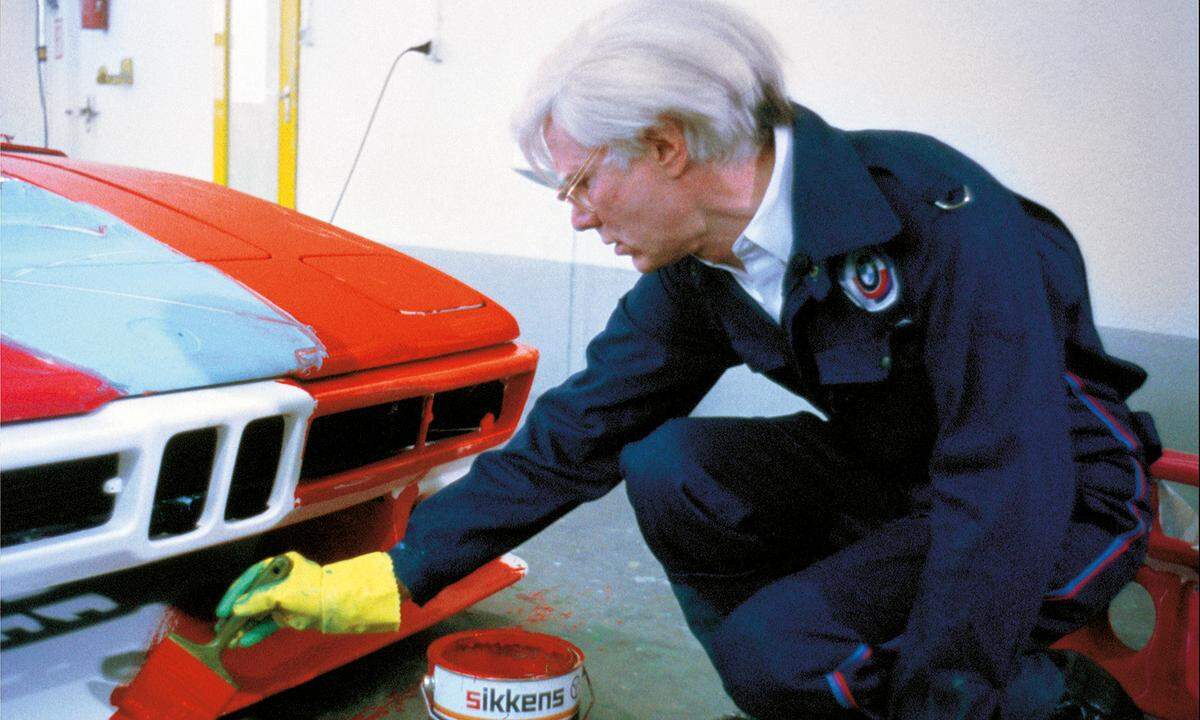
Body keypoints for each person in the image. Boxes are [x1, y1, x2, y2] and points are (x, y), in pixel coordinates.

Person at [217, 2, 1162, 718]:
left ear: (666, 147)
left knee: (781, 650)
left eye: (581, 182)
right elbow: (577, 435)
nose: (578, 216)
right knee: (669, 468)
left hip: (1059, 493)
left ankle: (1058, 700)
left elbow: (1003, 479)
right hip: (911, 480)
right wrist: (395, 570)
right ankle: (805, 687)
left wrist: (946, 698)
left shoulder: (933, 213)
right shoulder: (702, 270)